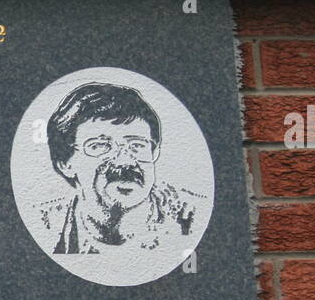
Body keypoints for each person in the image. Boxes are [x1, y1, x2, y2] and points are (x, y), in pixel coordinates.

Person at [39, 82, 203, 254]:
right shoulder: (45, 226)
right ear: (65, 163)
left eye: (137, 145)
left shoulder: (191, 218)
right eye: (100, 146)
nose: (125, 161)